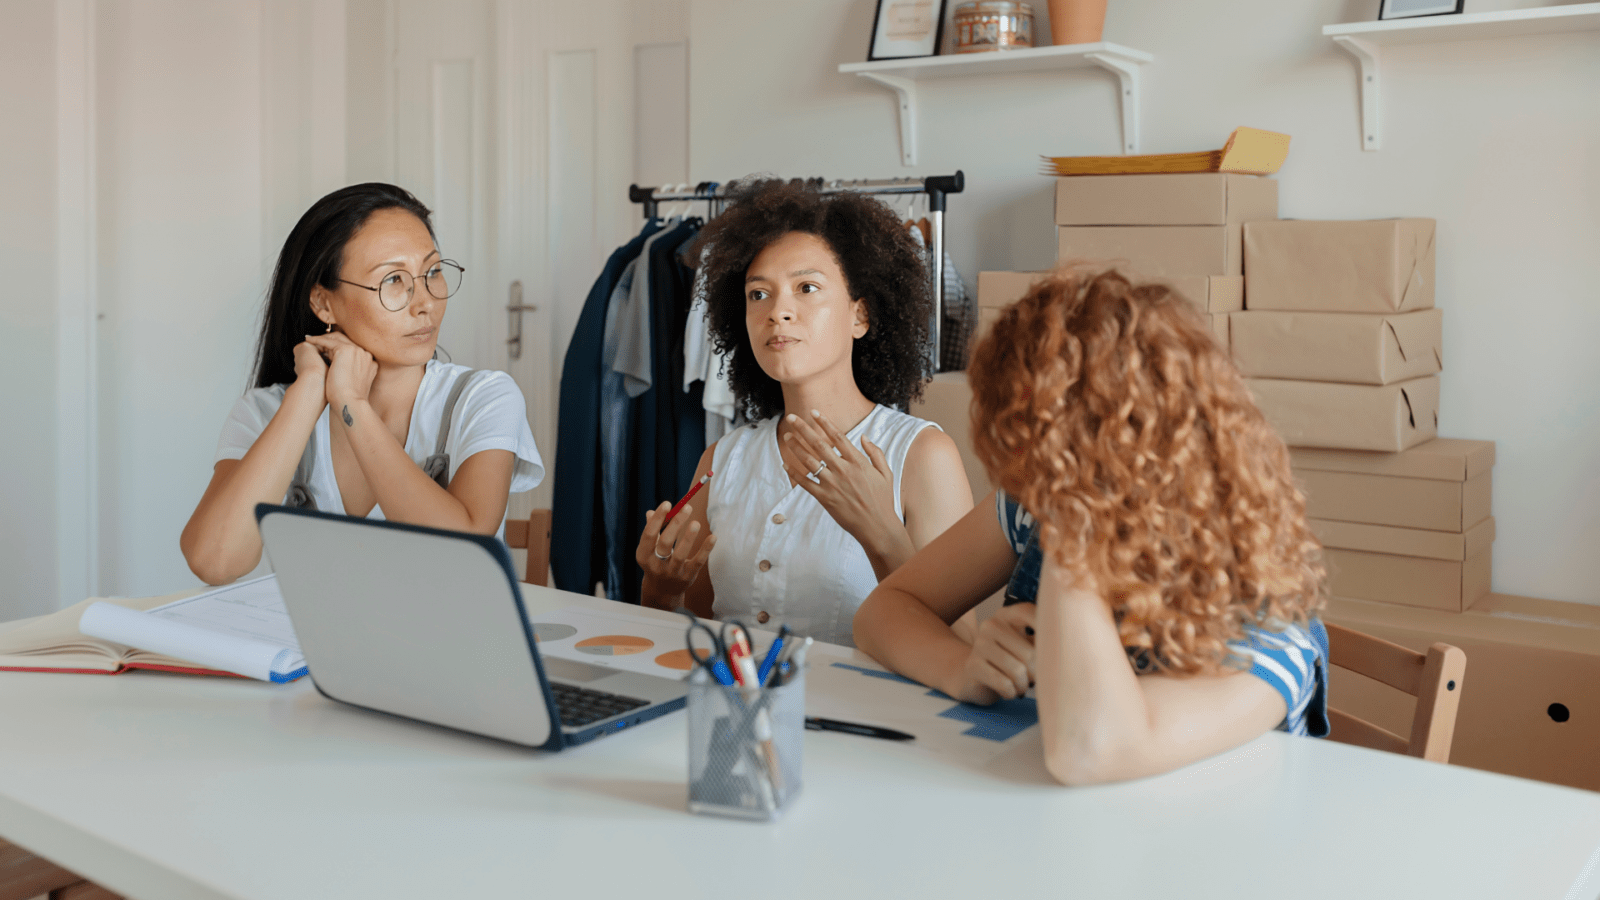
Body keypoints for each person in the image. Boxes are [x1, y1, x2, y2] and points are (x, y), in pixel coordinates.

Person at [853, 266, 1330, 784]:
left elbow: (1090, 752)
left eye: (1056, 438)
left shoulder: (1268, 621)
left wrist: (1071, 523)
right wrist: (961, 668)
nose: (1030, 464)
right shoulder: (1031, 507)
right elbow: (883, 612)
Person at [634, 179, 973, 647]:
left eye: (807, 288)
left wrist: (882, 534)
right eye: (759, 294)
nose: (778, 311)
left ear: (860, 315)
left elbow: (963, 646)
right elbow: (691, 633)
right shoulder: (722, 460)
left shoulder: (922, 455)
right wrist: (661, 589)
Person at [181, 183, 542, 585]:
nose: (425, 302)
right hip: (303, 649)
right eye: (393, 280)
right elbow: (215, 561)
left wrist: (352, 402)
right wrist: (306, 394)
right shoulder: (265, 411)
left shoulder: (484, 397)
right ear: (323, 304)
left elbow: (460, 558)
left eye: (433, 272)